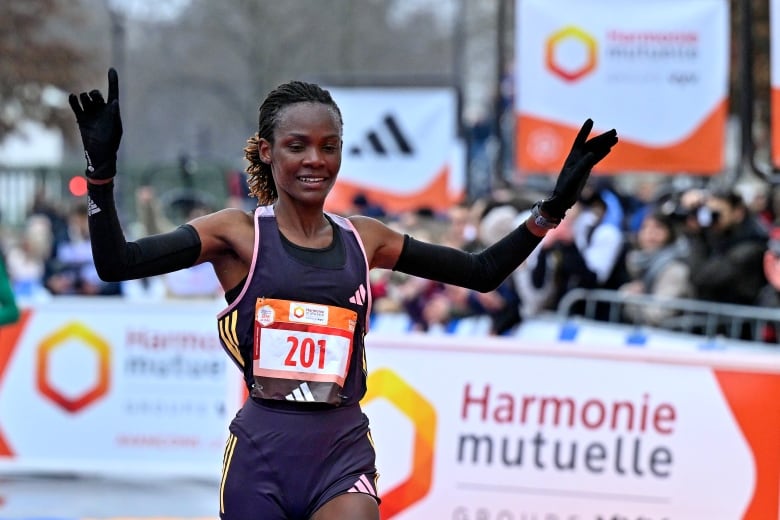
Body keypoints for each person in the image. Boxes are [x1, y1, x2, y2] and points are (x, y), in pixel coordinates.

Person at [69, 68, 617, 520]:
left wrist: (550, 209)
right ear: (265, 152)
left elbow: (481, 271)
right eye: (297, 146)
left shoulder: (366, 237)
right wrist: (101, 174)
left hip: (340, 447)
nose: (316, 160)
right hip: (263, 448)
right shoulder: (236, 234)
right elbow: (116, 263)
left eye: (329, 147)